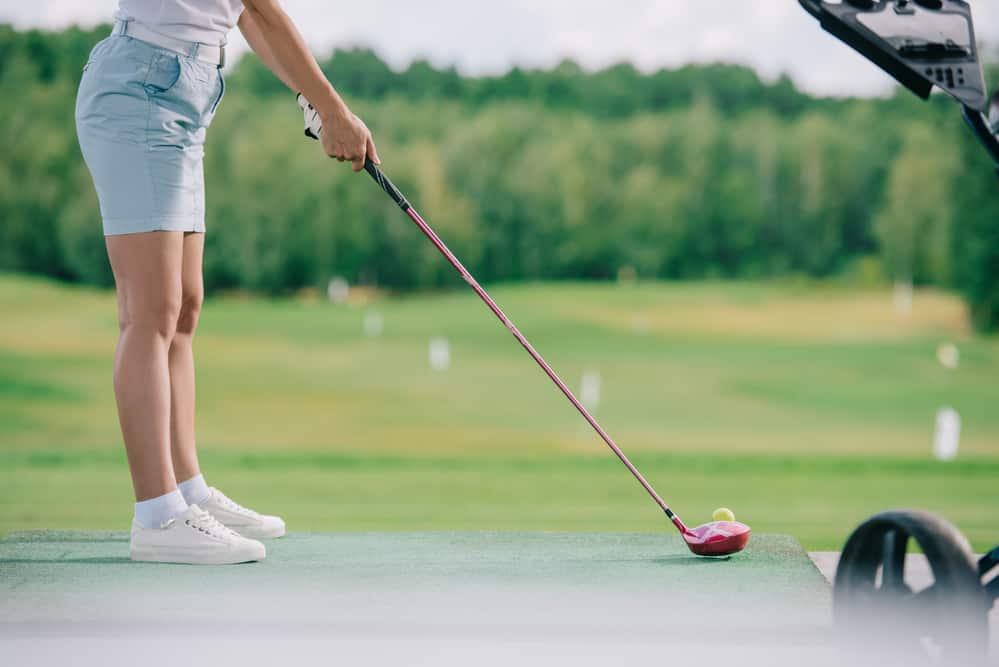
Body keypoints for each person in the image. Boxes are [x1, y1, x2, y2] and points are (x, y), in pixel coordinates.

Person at [75, 0, 379, 565]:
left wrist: (318, 100)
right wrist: (333, 109)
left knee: (184, 306)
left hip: (186, 94)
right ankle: (157, 514)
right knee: (151, 311)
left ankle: (187, 490)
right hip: (141, 88)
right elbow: (263, 8)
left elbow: (248, 16)